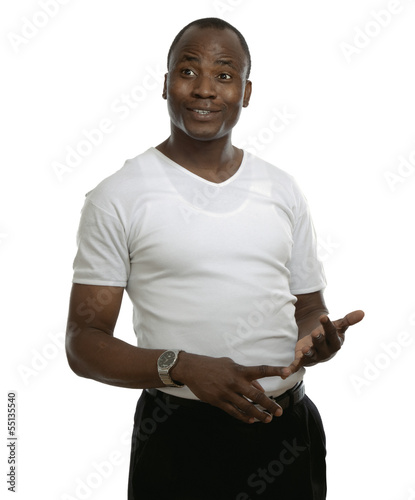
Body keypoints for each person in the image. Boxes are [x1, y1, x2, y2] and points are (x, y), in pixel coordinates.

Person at [65, 17, 364, 500]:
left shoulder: (282, 188)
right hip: (177, 437)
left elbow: (308, 306)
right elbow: (83, 343)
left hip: (287, 431)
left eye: (225, 75)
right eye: (189, 71)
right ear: (166, 85)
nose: (205, 89)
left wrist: (317, 336)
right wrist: (180, 366)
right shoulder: (117, 196)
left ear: (246, 93)